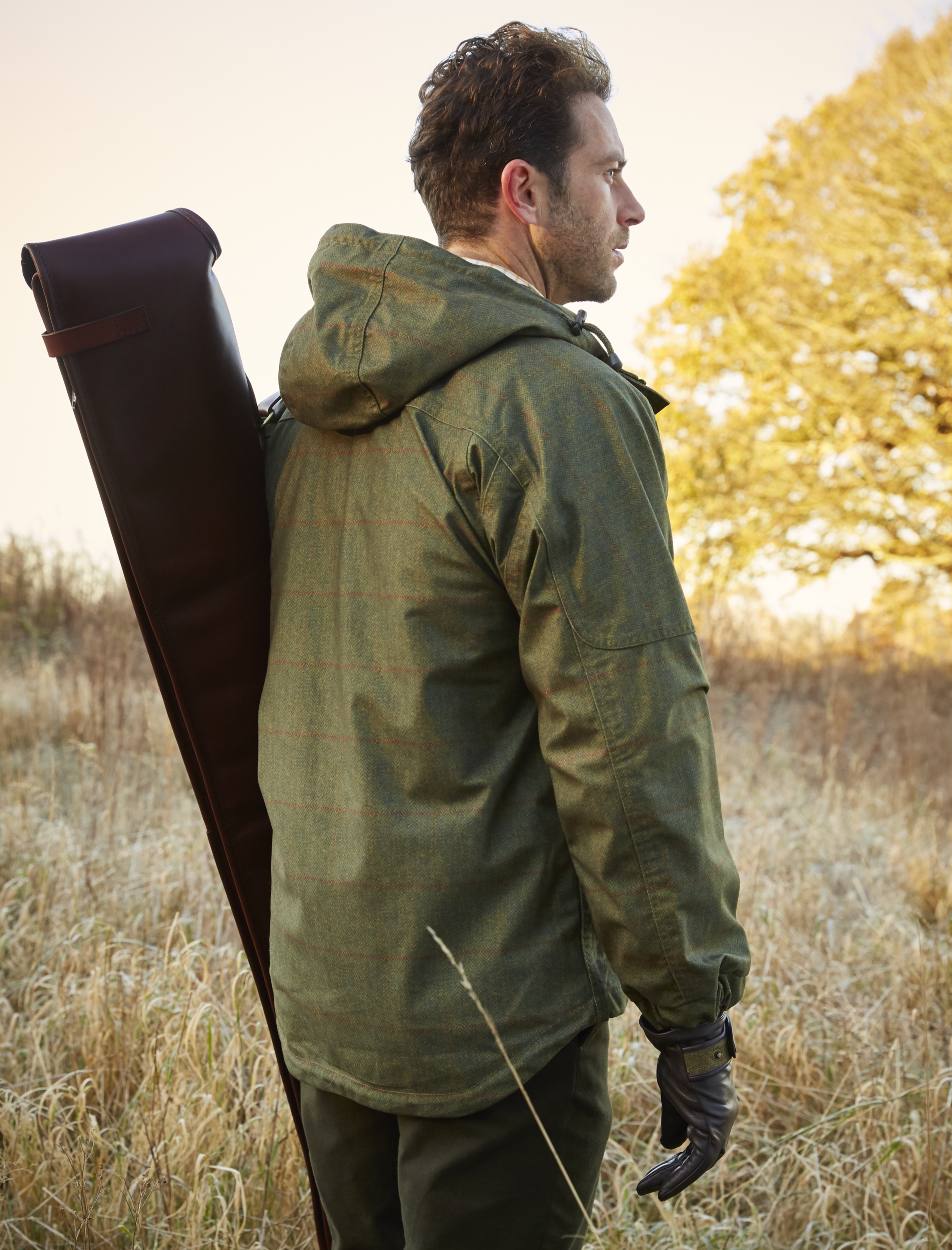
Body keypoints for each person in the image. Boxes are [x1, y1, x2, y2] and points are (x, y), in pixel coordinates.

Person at [258, 20, 751, 1250]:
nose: (633, 206)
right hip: (493, 1025)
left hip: (329, 1003)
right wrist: (688, 1012)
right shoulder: (556, 400)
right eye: (610, 171)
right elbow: (626, 736)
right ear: (525, 193)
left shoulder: (311, 404)